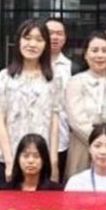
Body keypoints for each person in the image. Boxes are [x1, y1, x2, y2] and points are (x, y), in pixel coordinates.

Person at [0, 19, 62, 183]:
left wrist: (53, 161)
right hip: (10, 155)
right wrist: (9, 161)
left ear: (45, 45)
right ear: (18, 41)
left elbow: (55, 121)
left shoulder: (54, 78)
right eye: (27, 38)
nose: (32, 44)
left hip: (41, 158)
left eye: (39, 40)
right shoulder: (5, 77)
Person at [65, 32, 106, 176]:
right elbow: (76, 121)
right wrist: (100, 144)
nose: (100, 55)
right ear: (86, 55)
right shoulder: (76, 82)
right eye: (95, 50)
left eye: (105, 50)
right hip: (85, 146)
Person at [46, 17, 74, 174]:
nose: (54, 37)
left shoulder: (72, 67)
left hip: (63, 139)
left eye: (59, 33)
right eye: (50, 33)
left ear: (65, 38)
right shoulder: (28, 66)